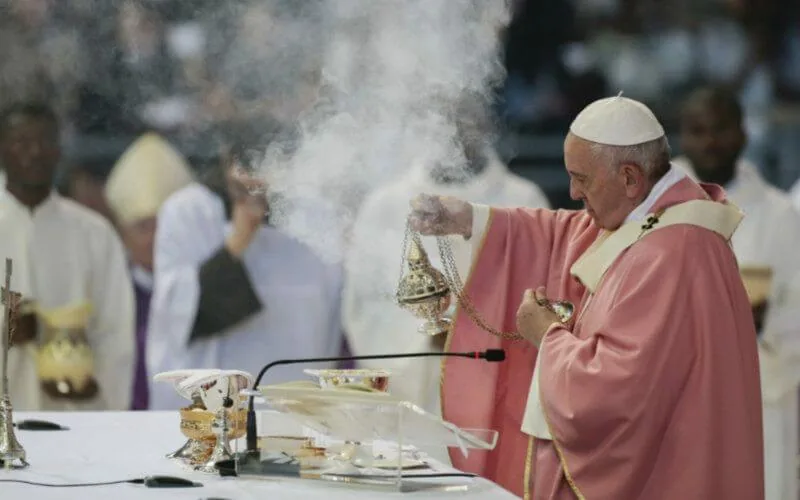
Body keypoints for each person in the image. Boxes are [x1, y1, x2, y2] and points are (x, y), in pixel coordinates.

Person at [408, 95, 764, 499]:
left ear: (630, 178)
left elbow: (615, 391)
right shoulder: (653, 217)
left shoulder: (672, 251)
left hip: (666, 475)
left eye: (583, 178)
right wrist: (468, 218)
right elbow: (562, 232)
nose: (574, 192)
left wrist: (548, 337)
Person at [343, 100, 550, 417]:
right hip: (410, 410)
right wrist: (427, 336)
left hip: (498, 402)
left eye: (467, 110)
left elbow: (543, 302)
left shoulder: (524, 202)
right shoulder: (385, 205)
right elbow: (364, 308)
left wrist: (475, 331)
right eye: (444, 111)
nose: (457, 122)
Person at [146, 126, 343, 410]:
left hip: (296, 400)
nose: (257, 194)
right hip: (216, 405)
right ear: (228, 164)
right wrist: (240, 237)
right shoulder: (188, 211)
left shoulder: (316, 212)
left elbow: (334, 311)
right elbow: (182, 314)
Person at [673, 85, 800, 500]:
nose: (710, 141)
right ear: (682, 137)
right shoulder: (648, 208)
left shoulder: (781, 216)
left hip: (759, 400)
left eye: (720, 129)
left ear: (743, 135)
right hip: (671, 399)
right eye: (697, 130)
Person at [0, 101, 135, 411]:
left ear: (59, 150)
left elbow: (115, 332)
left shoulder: (93, 233)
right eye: (21, 142)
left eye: (45, 141)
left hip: (76, 417)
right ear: (2, 149)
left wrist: (96, 389)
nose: (34, 153)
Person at [104, 133, 194, 410]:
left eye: (164, 225)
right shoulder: (110, 293)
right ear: (122, 233)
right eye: (144, 226)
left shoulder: (202, 288)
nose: (157, 237)